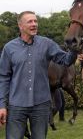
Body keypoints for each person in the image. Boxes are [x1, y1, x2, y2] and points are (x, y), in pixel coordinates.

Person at [0, 11, 77, 139]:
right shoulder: (9, 48)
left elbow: (66, 60)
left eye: (35, 21)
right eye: (30, 21)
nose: (34, 24)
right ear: (20, 25)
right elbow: (3, 77)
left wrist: (75, 48)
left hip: (41, 106)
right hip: (16, 106)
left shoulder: (47, 44)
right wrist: (2, 105)